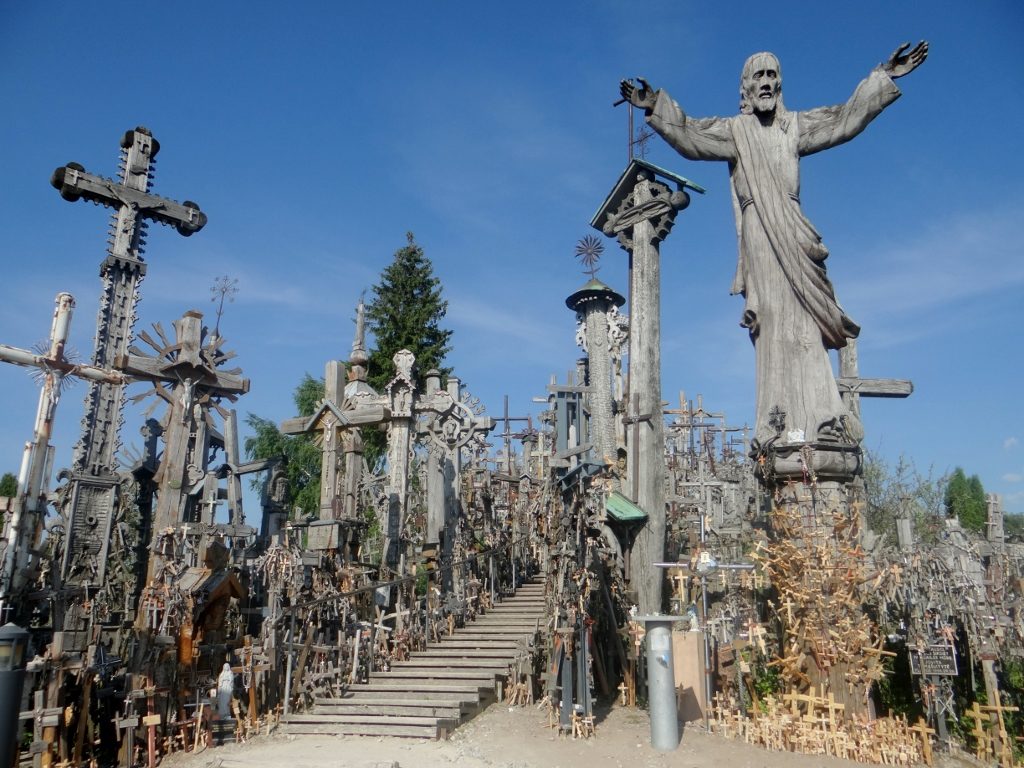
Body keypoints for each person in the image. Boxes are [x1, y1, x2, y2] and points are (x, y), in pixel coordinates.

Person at [620, 43, 927, 450]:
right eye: (757, 77)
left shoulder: (795, 127)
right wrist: (655, 105)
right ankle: (777, 416)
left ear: (780, 85)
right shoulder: (735, 131)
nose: (766, 83)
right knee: (773, 320)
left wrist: (883, 78)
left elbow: (844, 119)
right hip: (760, 232)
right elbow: (690, 136)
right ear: (745, 89)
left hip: (793, 229)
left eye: (771, 76)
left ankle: (820, 412)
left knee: (805, 326)